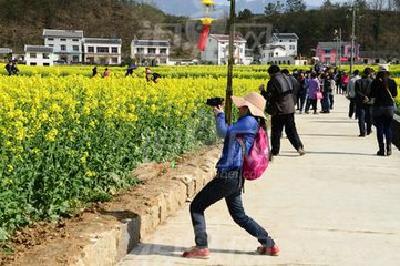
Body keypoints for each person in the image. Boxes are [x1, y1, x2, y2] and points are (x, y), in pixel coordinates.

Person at [183, 92, 279, 259]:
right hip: (235, 177)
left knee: (197, 206)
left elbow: (222, 132)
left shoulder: (248, 121)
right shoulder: (250, 122)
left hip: (228, 176)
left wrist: (219, 114)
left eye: (241, 105)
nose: (238, 107)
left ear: (248, 108)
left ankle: (201, 247)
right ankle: (269, 245)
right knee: (239, 216)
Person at [264, 65, 305, 158]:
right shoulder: (288, 78)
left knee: (276, 131)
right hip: (290, 108)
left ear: (271, 73)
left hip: (279, 110)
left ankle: (275, 151)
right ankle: (299, 147)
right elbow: (296, 87)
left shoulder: (272, 81)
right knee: (291, 130)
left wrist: (262, 91)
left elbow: (269, 97)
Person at [370, 71, 398, 156]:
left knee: (380, 128)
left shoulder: (375, 82)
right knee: (388, 128)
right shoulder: (392, 82)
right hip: (389, 107)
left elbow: (372, 95)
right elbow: (395, 94)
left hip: (378, 107)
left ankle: (381, 149)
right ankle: (389, 149)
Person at [355, 69, 373, 137]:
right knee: (369, 116)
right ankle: (368, 130)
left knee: (361, 118)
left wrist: (363, 96)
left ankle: (362, 132)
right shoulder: (372, 82)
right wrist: (368, 97)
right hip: (369, 101)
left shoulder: (358, 82)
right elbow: (373, 92)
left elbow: (357, 92)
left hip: (360, 101)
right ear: (369, 74)